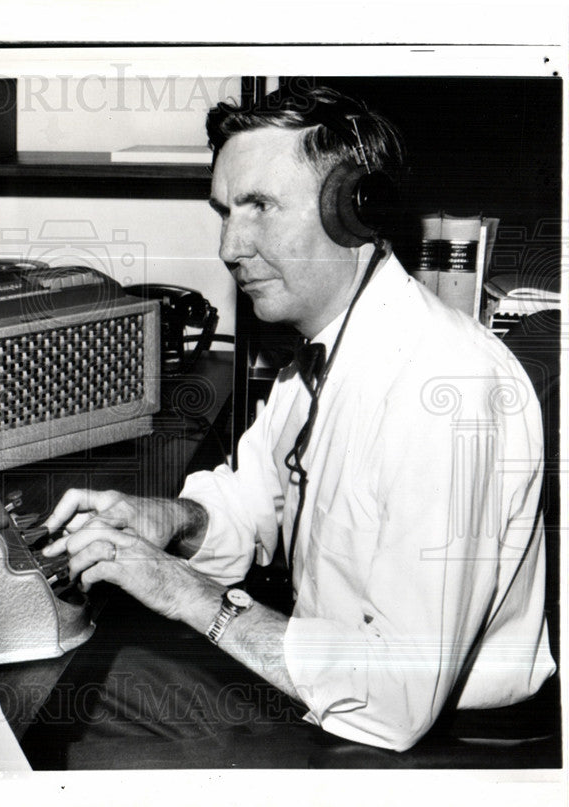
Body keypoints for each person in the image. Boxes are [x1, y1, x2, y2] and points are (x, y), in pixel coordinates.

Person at [30, 86, 555, 765]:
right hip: (339, 689)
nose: (228, 245)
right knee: (94, 684)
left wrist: (186, 590)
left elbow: (399, 698)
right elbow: (250, 504)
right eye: (224, 211)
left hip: (431, 742)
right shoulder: (315, 358)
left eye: (260, 207)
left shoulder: (446, 390)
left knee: (85, 733)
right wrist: (169, 519)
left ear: (355, 209)